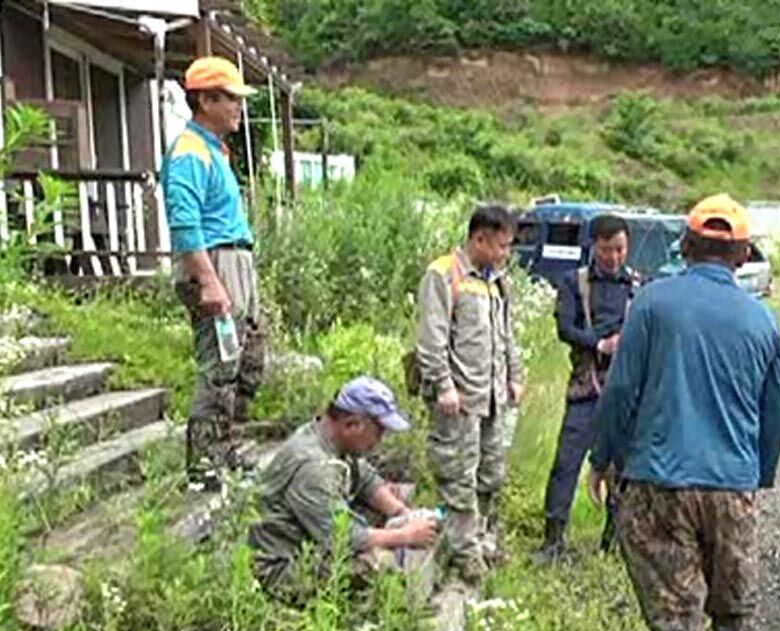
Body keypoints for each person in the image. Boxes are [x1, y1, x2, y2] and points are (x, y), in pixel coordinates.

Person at [590, 194, 780, 631]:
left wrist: (603, 457)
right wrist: (755, 476)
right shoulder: (763, 322)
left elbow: (621, 390)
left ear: (685, 246)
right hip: (733, 486)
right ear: (744, 254)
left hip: (658, 484)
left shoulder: (653, 303)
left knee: (679, 622)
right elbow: (777, 416)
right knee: (736, 609)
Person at [165, 57, 266, 491]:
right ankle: (203, 464)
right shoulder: (189, 152)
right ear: (205, 100)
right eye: (231, 99)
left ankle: (226, 446)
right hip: (215, 263)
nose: (238, 108)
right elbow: (185, 222)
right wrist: (208, 280)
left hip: (235, 260)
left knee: (248, 359)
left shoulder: (213, 150)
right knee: (219, 364)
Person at [415, 206, 525, 587]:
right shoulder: (444, 274)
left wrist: (516, 376)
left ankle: (481, 539)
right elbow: (431, 338)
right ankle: (464, 554)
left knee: (490, 474)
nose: (505, 253)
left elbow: (508, 334)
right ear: (479, 239)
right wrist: (443, 385)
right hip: (459, 401)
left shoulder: (497, 282)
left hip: (493, 399)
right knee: (458, 475)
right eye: (501, 245)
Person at [249, 377, 439, 595]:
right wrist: (405, 536)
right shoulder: (313, 469)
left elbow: (364, 478)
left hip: (308, 537)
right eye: (378, 432)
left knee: (392, 501)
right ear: (352, 424)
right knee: (376, 565)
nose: (379, 441)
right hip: (283, 565)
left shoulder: (328, 437)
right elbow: (344, 538)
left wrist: (401, 512)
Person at [536, 214, 639, 562]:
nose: (614, 258)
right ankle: (552, 541)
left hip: (625, 392)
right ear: (594, 246)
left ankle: (613, 542)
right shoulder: (573, 282)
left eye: (621, 250)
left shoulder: (637, 287)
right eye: (608, 250)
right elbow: (565, 328)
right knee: (567, 460)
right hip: (585, 387)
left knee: (622, 467)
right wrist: (599, 344)